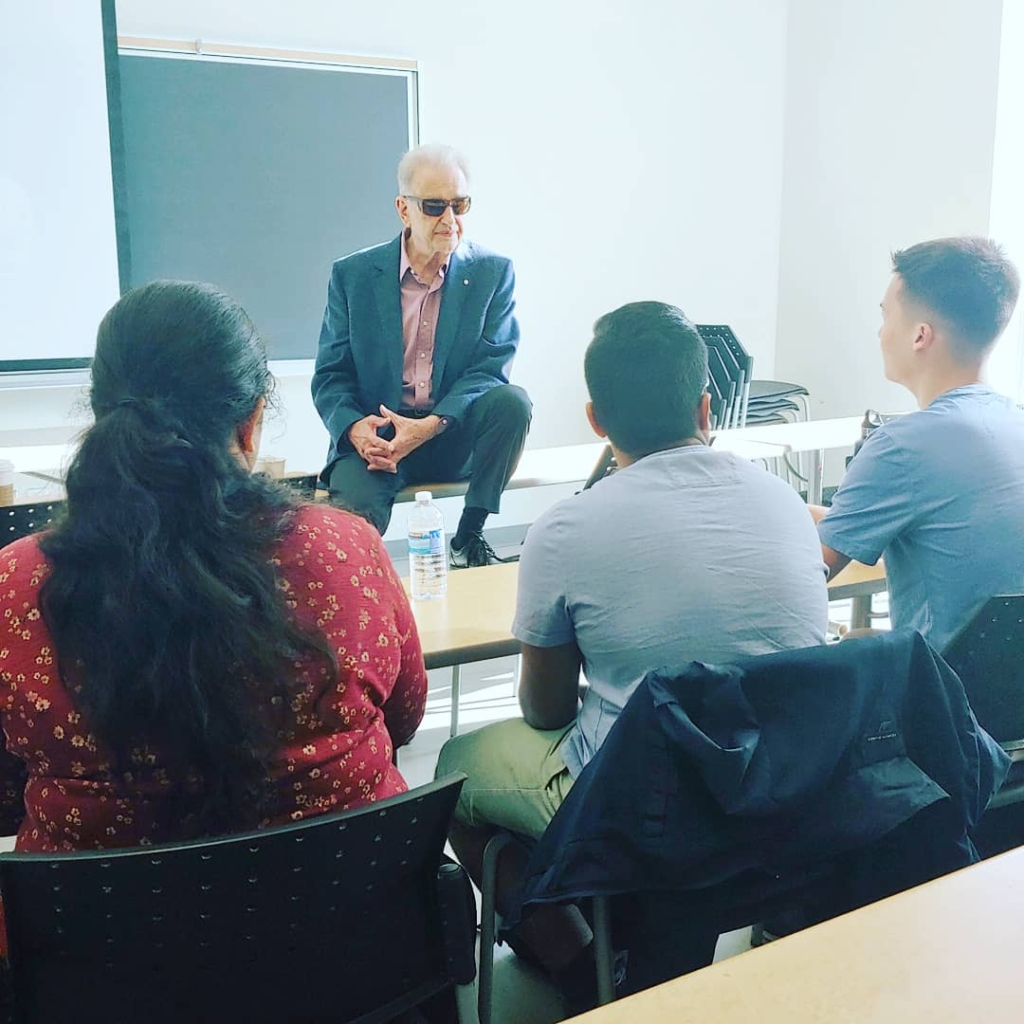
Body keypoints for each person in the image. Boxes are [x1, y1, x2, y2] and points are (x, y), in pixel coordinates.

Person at [0, 281, 428, 951]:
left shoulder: (14, 587)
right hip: (352, 951)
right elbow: (402, 717)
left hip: (105, 969)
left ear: (102, 413)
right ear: (251, 422)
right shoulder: (348, 550)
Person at [435, 301, 828, 994]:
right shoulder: (786, 506)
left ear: (595, 419)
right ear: (706, 408)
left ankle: (582, 969)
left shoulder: (566, 531)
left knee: (454, 772)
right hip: (780, 800)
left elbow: (547, 713)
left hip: (648, 810)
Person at [312, 143, 532, 566]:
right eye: (434, 206)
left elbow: (490, 368)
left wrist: (430, 426)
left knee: (513, 403)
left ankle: (468, 537)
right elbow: (331, 375)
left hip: (451, 432)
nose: (450, 221)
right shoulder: (353, 276)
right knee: (352, 533)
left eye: (460, 204)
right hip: (379, 438)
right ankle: (366, 587)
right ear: (403, 209)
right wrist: (357, 430)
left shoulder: (492, 272)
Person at [815, 237, 1024, 651]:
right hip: (1004, 693)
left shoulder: (902, 446)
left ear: (920, 336)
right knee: (859, 638)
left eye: (886, 315)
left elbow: (806, 575)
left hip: (949, 703)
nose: (880, 331)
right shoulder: (1013, 421)